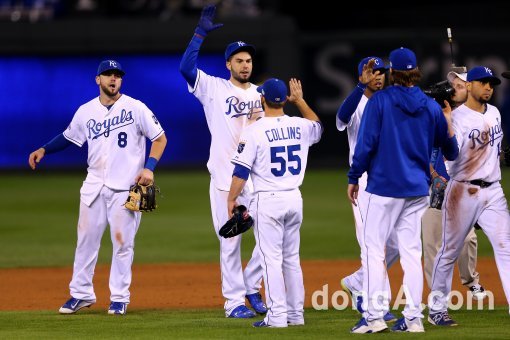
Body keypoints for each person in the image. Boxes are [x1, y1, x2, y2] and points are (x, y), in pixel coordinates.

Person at [28, 59, 167, 315]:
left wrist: (149, 167)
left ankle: (119, 298)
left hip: (125, 188)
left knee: (123, 243)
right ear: (98, 80)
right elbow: (69, 136)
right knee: (85, 242)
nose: (113, 79)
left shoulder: (136, 107)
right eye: (108, 75)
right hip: (93, 186)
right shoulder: (86, 111)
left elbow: (159, 138)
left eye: (117, 75)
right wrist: (44, 149)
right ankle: (80, 294)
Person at [347, 47, 459, 333]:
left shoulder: (380, 101)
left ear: (392, 72)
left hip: (383, 187)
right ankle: (413, 319)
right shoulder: (431, 106)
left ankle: (374, 317)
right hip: (416, 190)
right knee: (411, 253)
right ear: (415, 71)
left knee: (374, 250)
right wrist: (447, 121)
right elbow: (451, 151)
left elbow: (366, 143)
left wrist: (354, 175)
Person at [179, 4, 266, 318]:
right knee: (230, 240)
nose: (245, 65)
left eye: (249, 60)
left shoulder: (261, 94)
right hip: (224, 177)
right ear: (228, 63)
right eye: (239, 60)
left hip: (255, 178)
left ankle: (251, 284)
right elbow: (186, 69)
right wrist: (199, 33)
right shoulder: (213, 88)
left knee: (269, 233)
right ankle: (233, 303)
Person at [228, 78, 323, 327]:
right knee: (291, 259)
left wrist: (231, 198)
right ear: (284, 100)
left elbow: (240, 172)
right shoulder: (300, 125)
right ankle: (295, 314)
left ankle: (277, 316)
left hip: (268, 200)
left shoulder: (254, 130)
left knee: (271, 259)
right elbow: (318, 126)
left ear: (262, 99)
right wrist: (300, 101)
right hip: (294, 198)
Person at [429, 66, 510, 326]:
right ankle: (437, 309)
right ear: (470, 85)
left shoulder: (495, 113)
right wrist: (448, 124)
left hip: (493, 191)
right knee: (449, 251)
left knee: (506, 248)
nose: (489, 87)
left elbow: (491, 151)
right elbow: (451, 154)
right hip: (462, 191)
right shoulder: (457, 117)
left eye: (492, 83)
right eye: (484, 82)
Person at [336, 56, 398, 323]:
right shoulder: (357, 101)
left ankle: (357, 281)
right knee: (372, 246)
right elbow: (340, 119)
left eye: (382, 72)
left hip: (390, 180)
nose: (379, 76)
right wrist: (359, 87)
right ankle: (378, 306)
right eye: (373, 72)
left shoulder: (391, 100)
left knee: (394, 243)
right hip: (362, 182)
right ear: (363, 75)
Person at [422, 70, 486, 299]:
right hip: (436, 185)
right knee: (431, 241)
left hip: (461, 187)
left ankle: (470, 280)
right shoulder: (436, 114)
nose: (452, 88)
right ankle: (437, 294)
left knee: (467, 239)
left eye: (458, 85)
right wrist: (431, 174)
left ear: (469, 88)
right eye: (452, 85)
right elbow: (427, 148)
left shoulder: (474, 118)